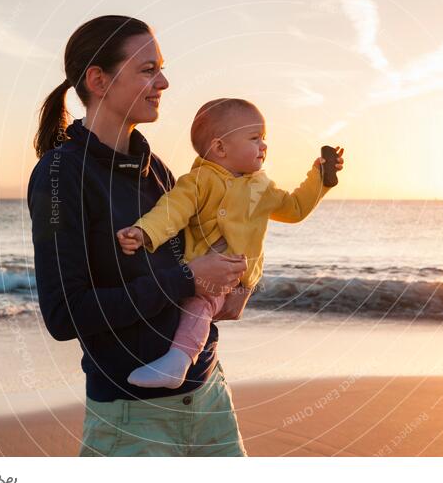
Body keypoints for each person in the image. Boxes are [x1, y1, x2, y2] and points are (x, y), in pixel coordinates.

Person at [27, 15, 248, 456]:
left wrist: (224, 288)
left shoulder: (159, 171)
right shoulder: (59, 176)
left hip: (209, 400)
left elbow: (184, 278)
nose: (163, 81)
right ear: (98, 80)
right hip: (132, 420)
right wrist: (188, 279)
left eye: (161, 68)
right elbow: (64, 315)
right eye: (147, 70)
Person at [117, 98, 344, 388]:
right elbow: (171, 211)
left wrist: (320, 178)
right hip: (209, 272)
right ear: (221, 148)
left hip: (239, 276)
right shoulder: (199, 181)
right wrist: (144, 232)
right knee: (199, 305)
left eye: (264, 138)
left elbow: (295, 208)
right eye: (254, 138)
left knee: (201, 307)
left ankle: (180, 361)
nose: (264, 145)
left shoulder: (262, 187)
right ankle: (179, 361)